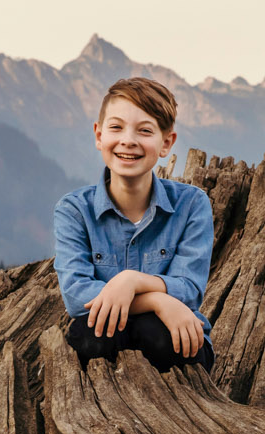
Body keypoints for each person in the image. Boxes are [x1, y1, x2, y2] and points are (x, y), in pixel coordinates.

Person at [52, 77, 215, 372]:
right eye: (116, 128)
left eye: (144, 131)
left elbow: (189, 289)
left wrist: (132, 281)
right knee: (91, 333)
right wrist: (156, 300)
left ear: (166, 143)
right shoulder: (74, 210)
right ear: (98, 135)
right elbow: (77, 297)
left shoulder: (192, 205)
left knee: (162, 335)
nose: (128, 140)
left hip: (174, 340)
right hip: (107, 336)